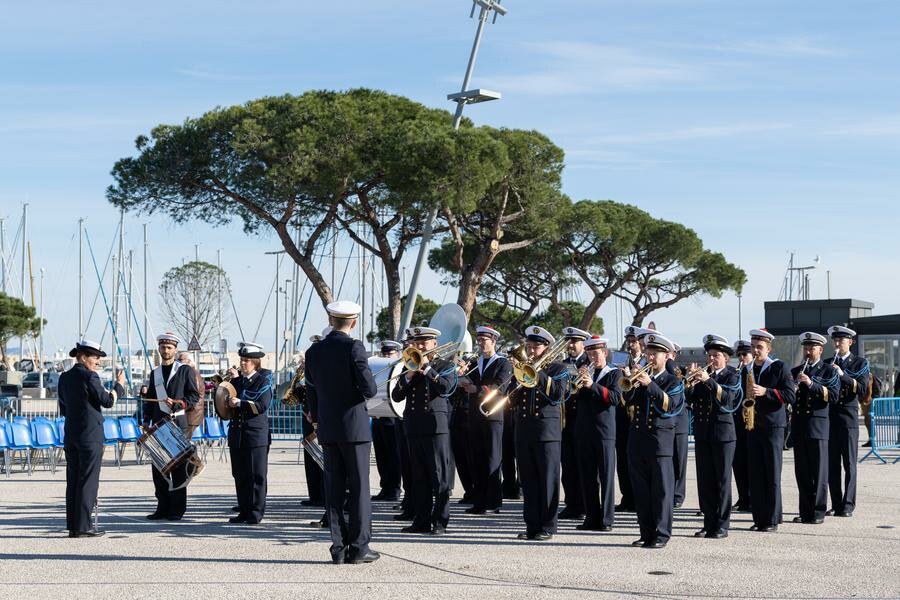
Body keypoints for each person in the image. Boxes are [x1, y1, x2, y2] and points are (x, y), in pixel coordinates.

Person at [305, 301, 379, 564]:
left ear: (330, 320)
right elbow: (370, 390)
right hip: (354, 429)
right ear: (354, 322)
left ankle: (338, 548)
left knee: (334, 490)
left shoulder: (313, 351)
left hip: (328, 427)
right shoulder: (354, 347)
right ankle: (359, 548)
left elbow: (311, 390)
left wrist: (317, 418)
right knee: (359, 490)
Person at [391, 325, 455, 535]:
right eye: (416, 343)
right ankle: (421, 520)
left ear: (434, 344)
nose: (419, 347)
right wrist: (409, 376)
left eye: (424, 343)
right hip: (414, 426)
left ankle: (440, 522)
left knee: (439, 477)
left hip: (435, 427)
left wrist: (427, 369)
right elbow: (397, 396)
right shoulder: (409, 365)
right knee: (418, 477)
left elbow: (446, 388)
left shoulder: (445, 365)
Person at [58, 340, 125, 538]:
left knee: (73, 481)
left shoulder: (64, 377)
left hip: (71, 434)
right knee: (88, 480)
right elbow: (108, 401)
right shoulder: (90, 376)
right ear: (82, 357)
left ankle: (74, 526)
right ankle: (84, 526)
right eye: (95, 357)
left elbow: (63, 407)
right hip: (90, 435)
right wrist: (119, 386)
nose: (98, 362)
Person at [624, 333, 683, 549]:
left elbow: (670, 406)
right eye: (648, 353)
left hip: (660, 443)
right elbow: (627, 400)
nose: (650, 357)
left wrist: (650, 384)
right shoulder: (642, 378)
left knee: (661, 491)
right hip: (638, 441)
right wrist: (630, 382)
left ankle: (661, 533)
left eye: (654, 354)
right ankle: (646, 532)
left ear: (666, 356)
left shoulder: (673, 380)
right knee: (641, 491)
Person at [509, 326, 567, 541]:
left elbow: (559, 394)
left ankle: (548, 526)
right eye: (529, 347)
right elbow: (511, 400)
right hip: (524, 430)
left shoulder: (558, 368)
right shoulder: (522, 368)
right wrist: (518, 377)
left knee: (548, 480)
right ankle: (532, 526)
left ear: (546, 348)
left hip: (546, 432)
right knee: (528, 480)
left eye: (536, 347)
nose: (531, 351)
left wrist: (537, 373)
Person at [142, 332, 200, 521]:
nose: (165, 350)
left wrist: (179, 403)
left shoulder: (184, 370)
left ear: (175, 350)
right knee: (159, 468)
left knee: (178, 468)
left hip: (177, 424)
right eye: (163, 347)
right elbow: (150, 398)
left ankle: (177, 509)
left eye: (169, 347)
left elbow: (194, 396)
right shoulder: (155, 373)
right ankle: (162, 507)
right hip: (159, 425)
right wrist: (146, 418)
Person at [688, 334, 741, 539]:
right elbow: (688, 400)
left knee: (722, 481)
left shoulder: (732, 375)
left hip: (723, 435)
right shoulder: (703, 375)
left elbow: (728, 399)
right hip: (703, 433)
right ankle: (708, 523)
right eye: (709, 355)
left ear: (725, 358)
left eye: (716, 355)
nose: (711, 359)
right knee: (705, 481)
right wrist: (690, 383)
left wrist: (708, 380)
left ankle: (722, 525)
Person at [745, 328, 795, 532]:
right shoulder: (747, 368)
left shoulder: (778, 367)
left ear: (769, 349)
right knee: (756, 474)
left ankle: (772, 519)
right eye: (753, 347)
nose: (756, 350)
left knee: (772, 474)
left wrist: (767, 391)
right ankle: (759, 518)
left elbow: (790, 395)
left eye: (760, 347)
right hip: (753, 425)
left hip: (773, 426)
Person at [574, 335, 622, 531]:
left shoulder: (614, 373)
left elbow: (615, 398)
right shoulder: (586, 372)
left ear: (605, 352)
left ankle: (607, 519)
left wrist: (592, 385)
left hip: (604, 432)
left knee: (606, 476)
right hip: (584, 431)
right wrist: (577, 383)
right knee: (587, 476)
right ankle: (591, 517)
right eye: (590, 354)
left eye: (596, 354)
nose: (593, 358)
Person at [463, 325, 513, 515]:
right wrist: (462, 378)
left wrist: (476, 389)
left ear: (493, 341)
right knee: (477, 458)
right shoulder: (476, 363)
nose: (481, 343)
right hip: (475, 415)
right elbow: (468, 381)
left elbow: (500, 386)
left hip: (493, 415)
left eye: (484, 340)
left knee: (492, 459)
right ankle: (479, 501)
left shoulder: (503, 363)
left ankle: (493, 502)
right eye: (479, 340)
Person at [791, 332, 840, 525]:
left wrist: (811, 384)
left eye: (812, 348)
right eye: (806, 348)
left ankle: (818, 511)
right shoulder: (795, 370)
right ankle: (805, 511)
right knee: (802, 471)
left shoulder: (828, 371)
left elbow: (833, 396)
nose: (808, 352)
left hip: (817, 426)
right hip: (799, 426)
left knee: (819, 472)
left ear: (820, 350)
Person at [225, 342, 272, 525]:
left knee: (256, 475)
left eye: (247, 360)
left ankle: (256, 512)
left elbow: (262, 405)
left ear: (255, 362)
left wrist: (240, 403)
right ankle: (243, 511)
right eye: (242, 360)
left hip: (255, 434)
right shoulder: (237, 381)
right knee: (240, 475)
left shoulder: (263, 380)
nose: (243, 363)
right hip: (237, 433)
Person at [825, 325, 869, 517]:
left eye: (841, 340)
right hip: (830, 417)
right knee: (832, 464)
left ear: (850, 342)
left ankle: (848, 504)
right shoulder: (828, 362)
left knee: (849, 464)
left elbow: (862, 389)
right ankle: (836, 503)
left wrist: (842, 375)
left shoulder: (860, 363)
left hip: (848, 418)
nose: (837, 344)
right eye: (835, 340)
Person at [559, 326, 590, 521]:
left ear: (583, 344)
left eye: (574, 342)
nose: (570, 345)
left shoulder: (590, 363)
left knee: (584, 466)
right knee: (568, 465)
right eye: (569, 342)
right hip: (566, 421)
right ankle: (571, 504)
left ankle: (585, 504)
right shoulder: (562, 365)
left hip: (584, 420)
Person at [614, 325, 645, 512]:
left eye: (634, 341)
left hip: (638, 415)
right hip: (622, 414)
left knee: (637, 459)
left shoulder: (646, 361)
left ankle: (638, 498)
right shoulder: (621, 359)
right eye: (629, 341)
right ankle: (626, 497)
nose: (631, 345)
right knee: (622, 459)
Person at [371, 340, 404, 503]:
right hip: (378, 417)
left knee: (393, 455)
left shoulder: (400, 369)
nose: (386, 356)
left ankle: (395, 489)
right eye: (384, 354)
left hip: (392, 418)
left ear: (397, 354)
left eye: (390, 354)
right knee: (381, 455)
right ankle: (385, 487)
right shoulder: (380, 370)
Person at [731, 340, 754, 512]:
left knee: (751, 462)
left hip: (752, 422)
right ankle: (743, 497)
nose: (741, 358)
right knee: (738, 463)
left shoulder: (754, 371)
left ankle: (752, 497)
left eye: (744, 354)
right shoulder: (737, 372)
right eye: (739, 355)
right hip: (737, 422)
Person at [176, 351, 207, 439]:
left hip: (191, 413)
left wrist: (181, 407)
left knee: (184, 442)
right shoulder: (191, 372)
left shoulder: (192, 373)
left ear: (189, 361)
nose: (178, 362)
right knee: (184, 441)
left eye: (180, 359)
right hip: (191, 413)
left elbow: (194, 394)